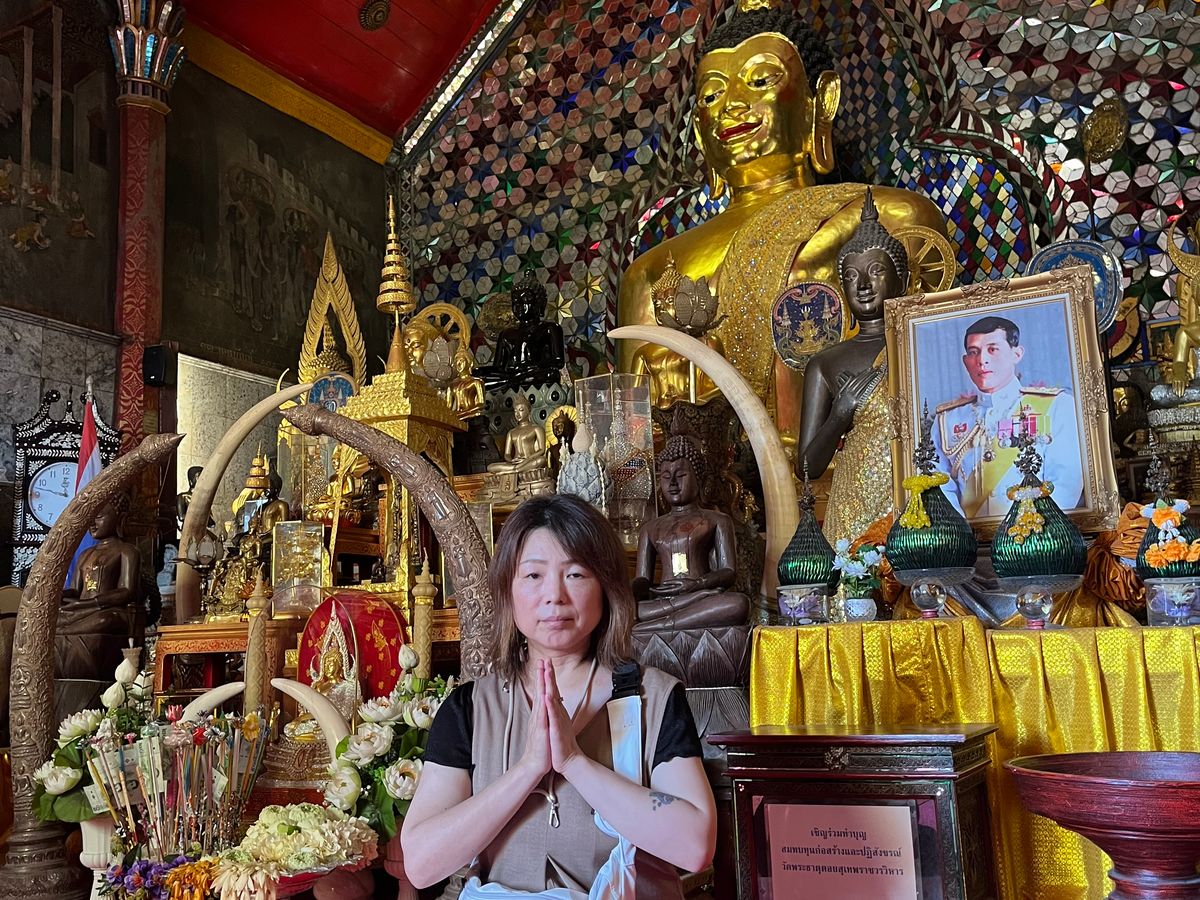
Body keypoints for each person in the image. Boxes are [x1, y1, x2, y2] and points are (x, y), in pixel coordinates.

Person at [617, 2, 944, 439]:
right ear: (697, 130)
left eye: (760, 80)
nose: (732, 105)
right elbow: (630, 443)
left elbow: (928, 382)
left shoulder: (895, 215)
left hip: (858, 464)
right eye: (712, 95)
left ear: (821, 101)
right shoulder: (651, 271)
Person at [401, 495, 717, 896]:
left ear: (606, 587)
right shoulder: (470, 708)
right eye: (533, 575)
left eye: (576, 574)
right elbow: (421, 865)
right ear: (508, 590)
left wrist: (574, 762)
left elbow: (695, 847)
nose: (555, 595)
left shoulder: (654, 698)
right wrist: (527, 770)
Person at [798, 189, 908, 543]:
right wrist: (840, 414)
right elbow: (806, 467)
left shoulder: (918, 343)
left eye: (875, 272)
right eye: (850, 277)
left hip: (915, 498)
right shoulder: (825, 363)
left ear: (902, 280)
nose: (862, 286)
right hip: (853, 510)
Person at [933, 315, 1083, 519]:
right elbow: (939, 485)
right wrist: (961, 531)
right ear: (965, 361)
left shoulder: (1056, 406)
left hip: (1036, 532)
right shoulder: (947, 420)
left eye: (992, 349)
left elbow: (1065, 484)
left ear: (1016, 354)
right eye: (973, 352)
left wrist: (1031, 530)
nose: (982, 360)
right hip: (967, 535)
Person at [632, 430, 748, 633]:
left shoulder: (717, 520)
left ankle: (653, 627)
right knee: (621, 609)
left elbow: (729, 571)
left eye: (681, 475)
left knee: (738, 603)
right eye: (666, 477)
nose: (673, 483)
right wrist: (627, 591)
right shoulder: (649, 529)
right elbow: (643, 579)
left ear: (698, 479)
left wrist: (697, 585)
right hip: (663, 602)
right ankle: (665, 621)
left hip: (700, 597)